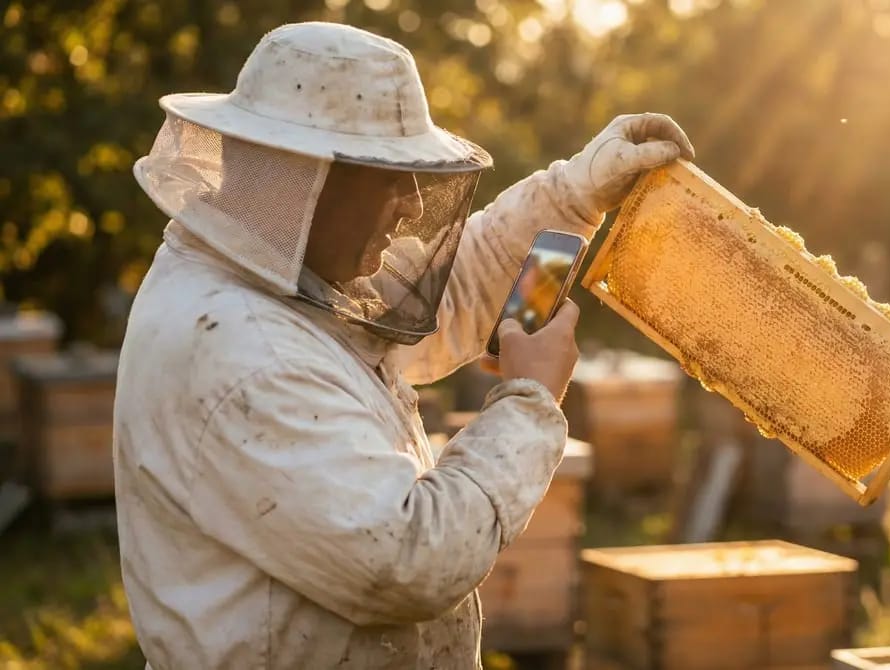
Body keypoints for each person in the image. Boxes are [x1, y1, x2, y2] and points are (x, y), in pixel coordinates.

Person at [114, 21, 693, 669]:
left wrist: (575, 196)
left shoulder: (289, 270)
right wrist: (527, 403)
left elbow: (452, 292)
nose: (413, 206)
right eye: (388, 176)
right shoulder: (244, 353)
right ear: (305, 178)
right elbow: (407, 561)